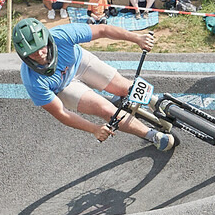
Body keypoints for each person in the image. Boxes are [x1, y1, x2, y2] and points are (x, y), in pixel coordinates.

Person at [11, 17, 175, 151]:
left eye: (42, 47)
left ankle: (155, 101)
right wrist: (94, 129)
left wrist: (137, 38)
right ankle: (152, 135)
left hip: (79, 63)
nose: (40, 54)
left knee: (126, 88)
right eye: (33, 53)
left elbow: (103, 30)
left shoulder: (62, 35)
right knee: (106, 110)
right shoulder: (32, 81)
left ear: (47, 39)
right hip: (64, 87)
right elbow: (61, 113)